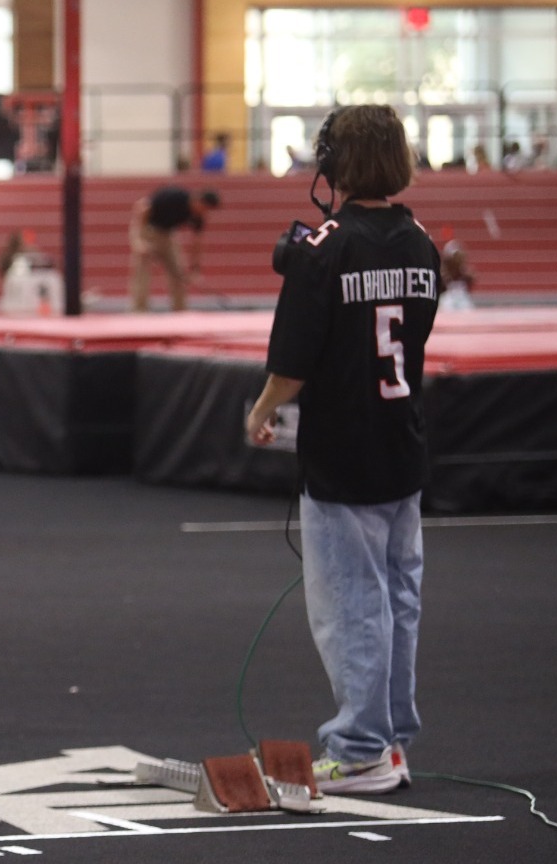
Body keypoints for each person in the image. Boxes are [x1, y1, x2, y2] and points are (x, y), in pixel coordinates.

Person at [246, 104, 442, 795]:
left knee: (352, 600)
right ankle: (387, 737)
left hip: (342, 448)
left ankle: (360, 747)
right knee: (397, 596)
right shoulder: (420, 240)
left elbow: (294, 360)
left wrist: (264, 410)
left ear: (333, 165)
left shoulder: (324, 248)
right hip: (401, 442)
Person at [128, 185, 219, 312]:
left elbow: (197, 242)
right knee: (142, 271)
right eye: (204, 208)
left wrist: (195, 269)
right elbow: (142, 207)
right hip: (149, 230)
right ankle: (139, 310)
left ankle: (180, 310)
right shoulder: (175, 197)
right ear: (199, 201)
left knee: (178, 273)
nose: (204, 213)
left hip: (168, 234)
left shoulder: (198, 215)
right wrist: (138, 239)